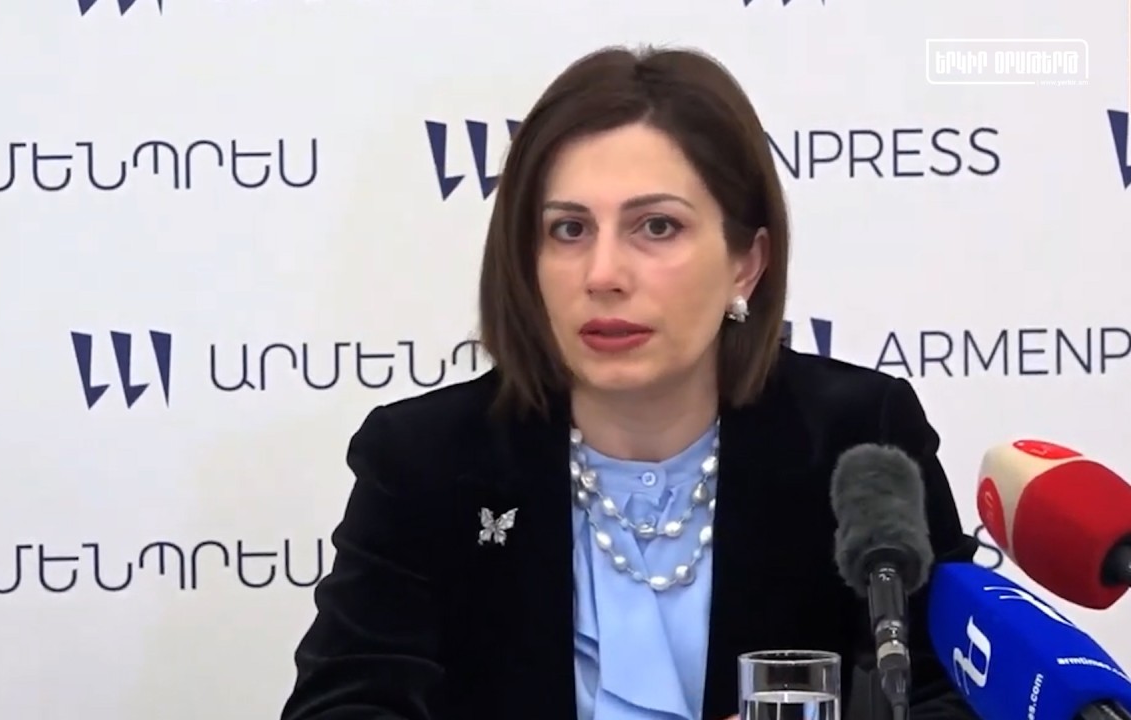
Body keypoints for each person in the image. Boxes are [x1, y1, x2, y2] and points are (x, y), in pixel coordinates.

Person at [280, 45, 976, 720]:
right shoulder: (427, 460)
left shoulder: (858, 439)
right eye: (569, 229)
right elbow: (345, 703)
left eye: (657, 226)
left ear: (746, 263)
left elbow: (952, 692)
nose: (603, 273)